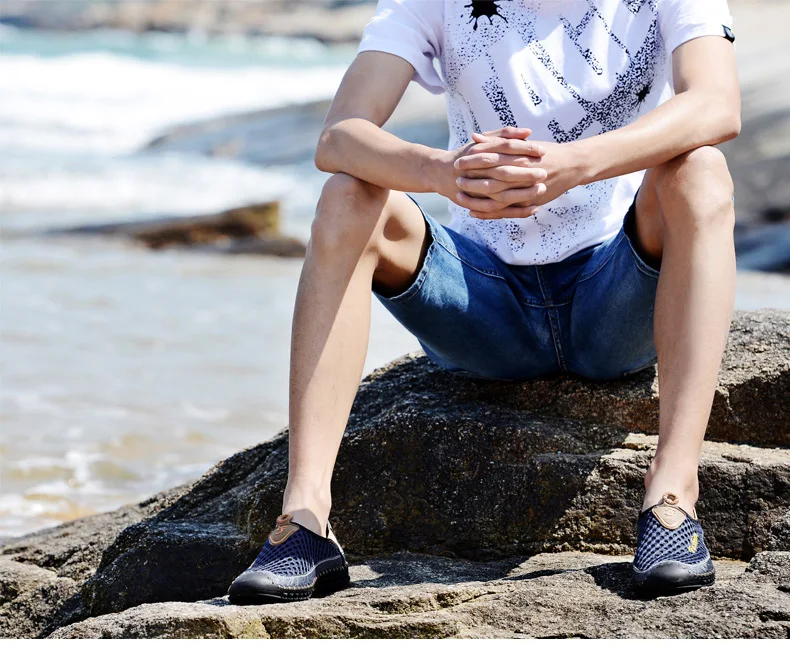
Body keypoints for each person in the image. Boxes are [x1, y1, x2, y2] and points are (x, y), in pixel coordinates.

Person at [227, 0, 740, 604]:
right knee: (346, 196)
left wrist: (576, 164)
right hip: (483, 303)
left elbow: (717, 104)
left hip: (615, 296)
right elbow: (339, 136)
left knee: (702, 170)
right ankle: (307, 517)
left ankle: (672, 497)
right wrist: (444, 172)